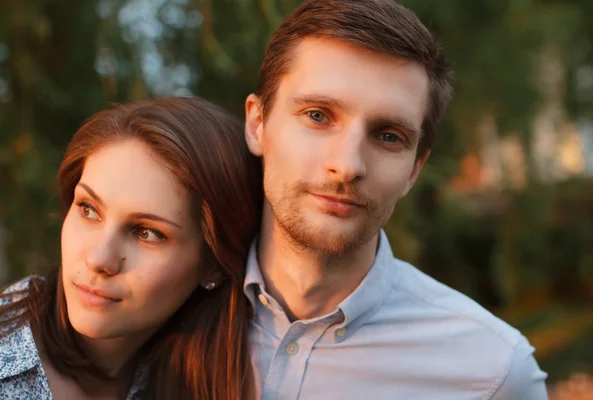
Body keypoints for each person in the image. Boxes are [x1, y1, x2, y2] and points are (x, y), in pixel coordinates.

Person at [243, 0, 549, 399]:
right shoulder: (165, 307)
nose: (348, 165)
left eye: (389, 136)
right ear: (258, 123)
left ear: (415, 170)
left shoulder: (492, 372)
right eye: (318, 115)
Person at [0, 97, 261, 399]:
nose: (99, 259)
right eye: (88, 209)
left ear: (213, 263)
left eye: (147, 233)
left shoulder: (223, 378)